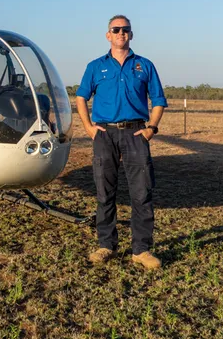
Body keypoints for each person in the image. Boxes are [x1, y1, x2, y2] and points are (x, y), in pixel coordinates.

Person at [75, 14, 167, 269]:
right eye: (116, 29)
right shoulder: (95, 66)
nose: (121, 33)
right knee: (105, 192)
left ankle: (142, 249)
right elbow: (81, 97)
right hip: (104, 134)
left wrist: (151, 129)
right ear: (108, 35)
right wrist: (88, 127)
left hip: (136, 133)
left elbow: (158, 100)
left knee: (141, 192)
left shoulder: (144, 65)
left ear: (131, 34)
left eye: (125, 29)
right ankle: (106, 245)